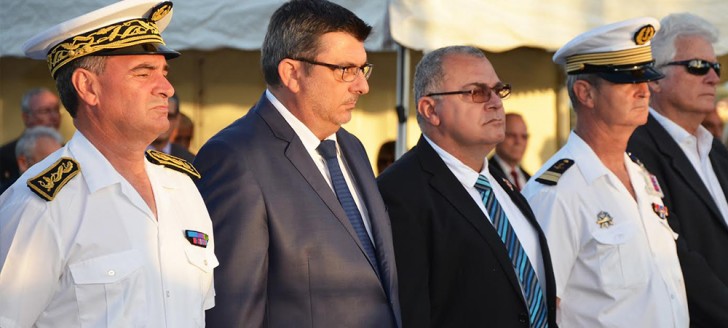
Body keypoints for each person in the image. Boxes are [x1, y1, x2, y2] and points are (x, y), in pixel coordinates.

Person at [0, 1, 217, 327]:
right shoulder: (42, 205)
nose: (167, 89)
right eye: (143, 72)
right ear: (88, 87)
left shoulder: (182, 187)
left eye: (164, 72)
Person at [193, 1, 400, 327]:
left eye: (363, 69)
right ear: (291, 73)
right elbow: (232, 310)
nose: (362, 85)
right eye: (346, 70)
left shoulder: (352, 147)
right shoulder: (235, 157)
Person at [522, 18, 688, 327]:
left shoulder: (640, 176)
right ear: (585, 94)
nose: (644, 90)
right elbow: (536, 309)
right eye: (627, 80)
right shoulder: (556, 192)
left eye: (645, 77)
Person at [377, 45, 556, 327]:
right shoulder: (400, 194)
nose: (496, 102)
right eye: (476, 92)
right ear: (431, 110)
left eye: (498, 90)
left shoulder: (501, 185)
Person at [627, 13, 728, 326]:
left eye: (716, 67)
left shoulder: (714, 149)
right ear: (655, 78)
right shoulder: (635, 149)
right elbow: (673, 255)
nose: (713, 78)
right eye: (698, 66)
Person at [0, 87, 61, 193]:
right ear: (26, 117)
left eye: (56, 109)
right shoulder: (4, 156)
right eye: (45, 111)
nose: (54, 116)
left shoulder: (67, 149)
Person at [490, 113, 531, 190]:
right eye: (512, 135)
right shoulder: (486, 174)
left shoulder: (530, 179)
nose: (518, 142)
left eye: (524, 137)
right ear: (497, 136)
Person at [149, 94, 195, 162]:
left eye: (169, 116)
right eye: (158, 115)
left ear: (177, 120)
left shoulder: (190, 161)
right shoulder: (130, 156)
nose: (163, 122)